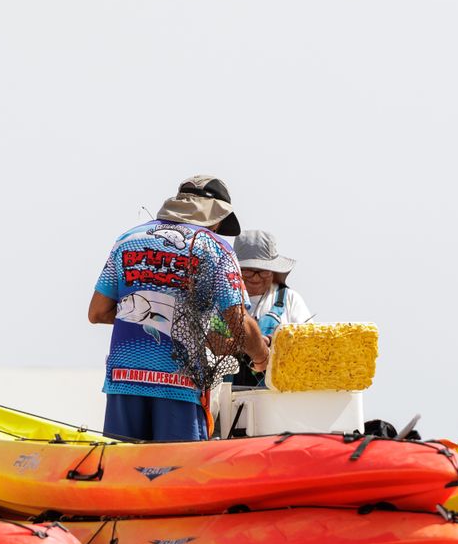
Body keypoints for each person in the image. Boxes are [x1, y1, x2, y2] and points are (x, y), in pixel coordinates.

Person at [87, 175, 270, 442]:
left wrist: (152, 315)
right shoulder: (214, 247)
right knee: (179, 471)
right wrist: (261, 356)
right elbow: (238, 321)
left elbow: (98, 312)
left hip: (123, 379)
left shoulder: (128, 239)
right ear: (216, 218)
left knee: (122, 467)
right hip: (178, 385)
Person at [226, 230, 311, 386]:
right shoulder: (223, 298)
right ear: (236, 270)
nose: (256, 277)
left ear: (273, 271)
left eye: (263, 271)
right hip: (226, 397)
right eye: (249, 271)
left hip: (275, 397)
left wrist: (276, 341)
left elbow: (309, 343)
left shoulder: (290, 299)